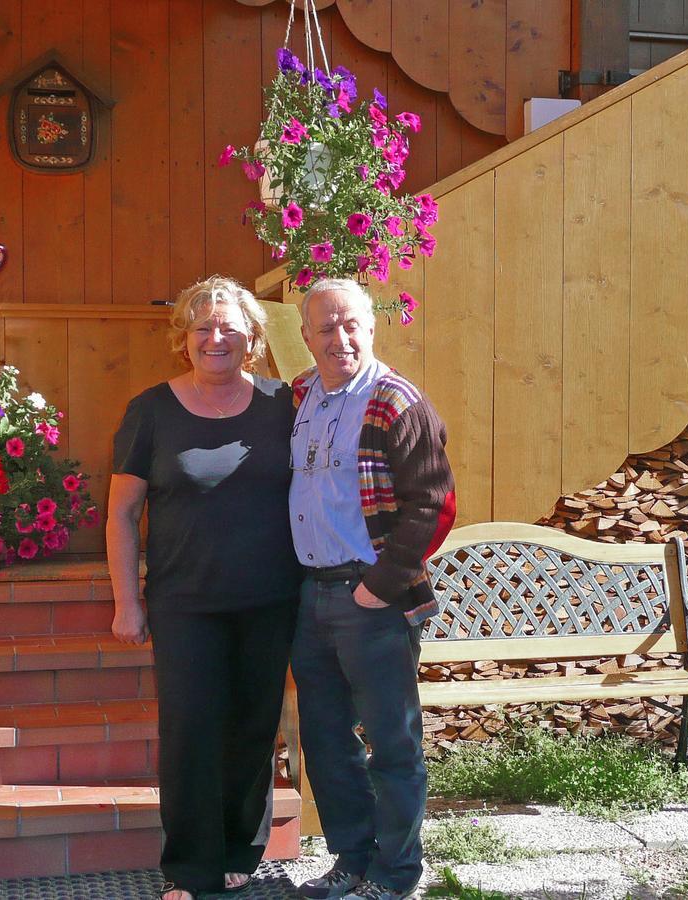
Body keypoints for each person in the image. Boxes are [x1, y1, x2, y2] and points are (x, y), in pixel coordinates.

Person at [107, 276, 302, 900]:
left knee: (251, 727)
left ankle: (241, 846)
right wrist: (127, 601)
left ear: (252, 338)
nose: (216, 338)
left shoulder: (285, 405)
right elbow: (120, 513)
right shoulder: (150, 410)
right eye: (203, 328)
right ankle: (191, 869)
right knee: (191, 731)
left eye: (229, 328)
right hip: (185, 603)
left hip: (271, 599)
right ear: (184, 339)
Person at [289, 278, 456, 900]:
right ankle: (350, 863)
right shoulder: (301, 395)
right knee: (328, 742)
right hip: (310, 597)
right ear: (306, 338)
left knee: (391, 744)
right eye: (325, 328)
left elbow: (434, 505)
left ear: (371, 326)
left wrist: (378, 588)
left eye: (350, 323)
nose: (340, 338)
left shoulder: (397, 402)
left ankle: (395, 875)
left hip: (371, 597)